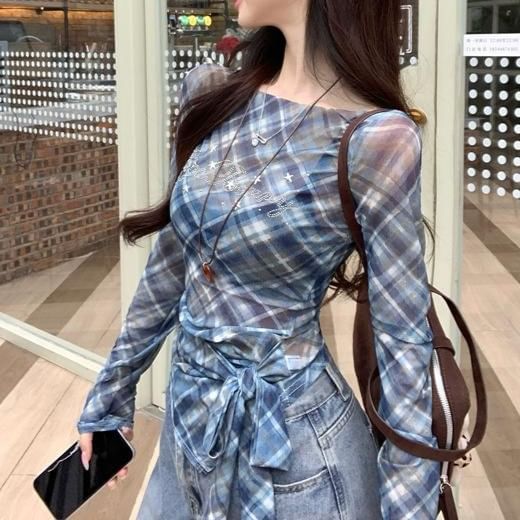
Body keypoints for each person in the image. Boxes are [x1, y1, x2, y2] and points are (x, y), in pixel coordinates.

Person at [77, 0, 441, 518]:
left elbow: (402, 337)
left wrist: (410, 505)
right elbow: (173, 262)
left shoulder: (376, 140)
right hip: (187, 432)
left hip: (300, 460)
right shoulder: (212, 94)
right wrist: (112, 392)